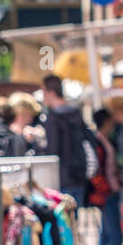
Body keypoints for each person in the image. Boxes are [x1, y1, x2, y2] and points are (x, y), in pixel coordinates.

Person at [40, 75, 88, 209]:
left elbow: (52, 151)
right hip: (79, 174)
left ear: (50, 92)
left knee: (64, 223)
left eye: (43, 92)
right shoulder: (76, 114)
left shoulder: (53, 118)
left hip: (62, 177)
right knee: (74, 220)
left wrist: (38, 142)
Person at [89, 108, 123, 245]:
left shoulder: (104, 139)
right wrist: (103, 188)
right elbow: (97, 169)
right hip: (107, 191)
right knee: (113, 231)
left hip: (109, 189)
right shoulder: (98, 141)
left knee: (106, 231)